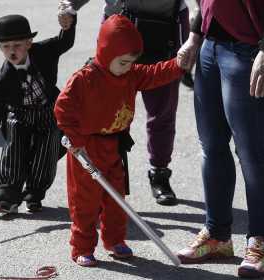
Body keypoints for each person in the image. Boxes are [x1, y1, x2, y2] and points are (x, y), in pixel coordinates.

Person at [175, 0, 264, 278]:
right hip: (210, 47)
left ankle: (262, 244)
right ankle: (217, 236)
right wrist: (195, 35)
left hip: (248, 50)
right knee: (212, 146)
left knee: (251, 152)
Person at [54, 15, 184, 267]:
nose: (128, 67)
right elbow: (63, 109)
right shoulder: (85, 78)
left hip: (114, 146)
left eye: (131, 62)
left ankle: (115, 240)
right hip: (86, 148)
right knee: (85, 202)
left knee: (116, 199)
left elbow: (155, 73)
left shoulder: (131, 74)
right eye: (123, 62)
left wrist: (178, 64)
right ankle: (82, 247)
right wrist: (75, 138)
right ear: (105, 53)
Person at [58, 0, 190, 206]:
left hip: (166, 31)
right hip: (118, 32)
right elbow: (63, 108)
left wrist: (190, 47)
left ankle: (160, 173)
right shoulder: (86, 78)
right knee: (106, 112)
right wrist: (70, 5)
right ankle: (105, 177)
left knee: (162, 113)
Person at [0, 13, 76, 214]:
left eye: (17, 45)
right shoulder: (3, 78)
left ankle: (34, 194)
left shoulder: (44, 52)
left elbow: (64, 42)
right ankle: (8, 198)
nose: (12, 51)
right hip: (19, 113)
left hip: (48, 111)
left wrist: (68, 24)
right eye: (6, 47)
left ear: (29, 43)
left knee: (46, 150)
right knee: (13, 149)